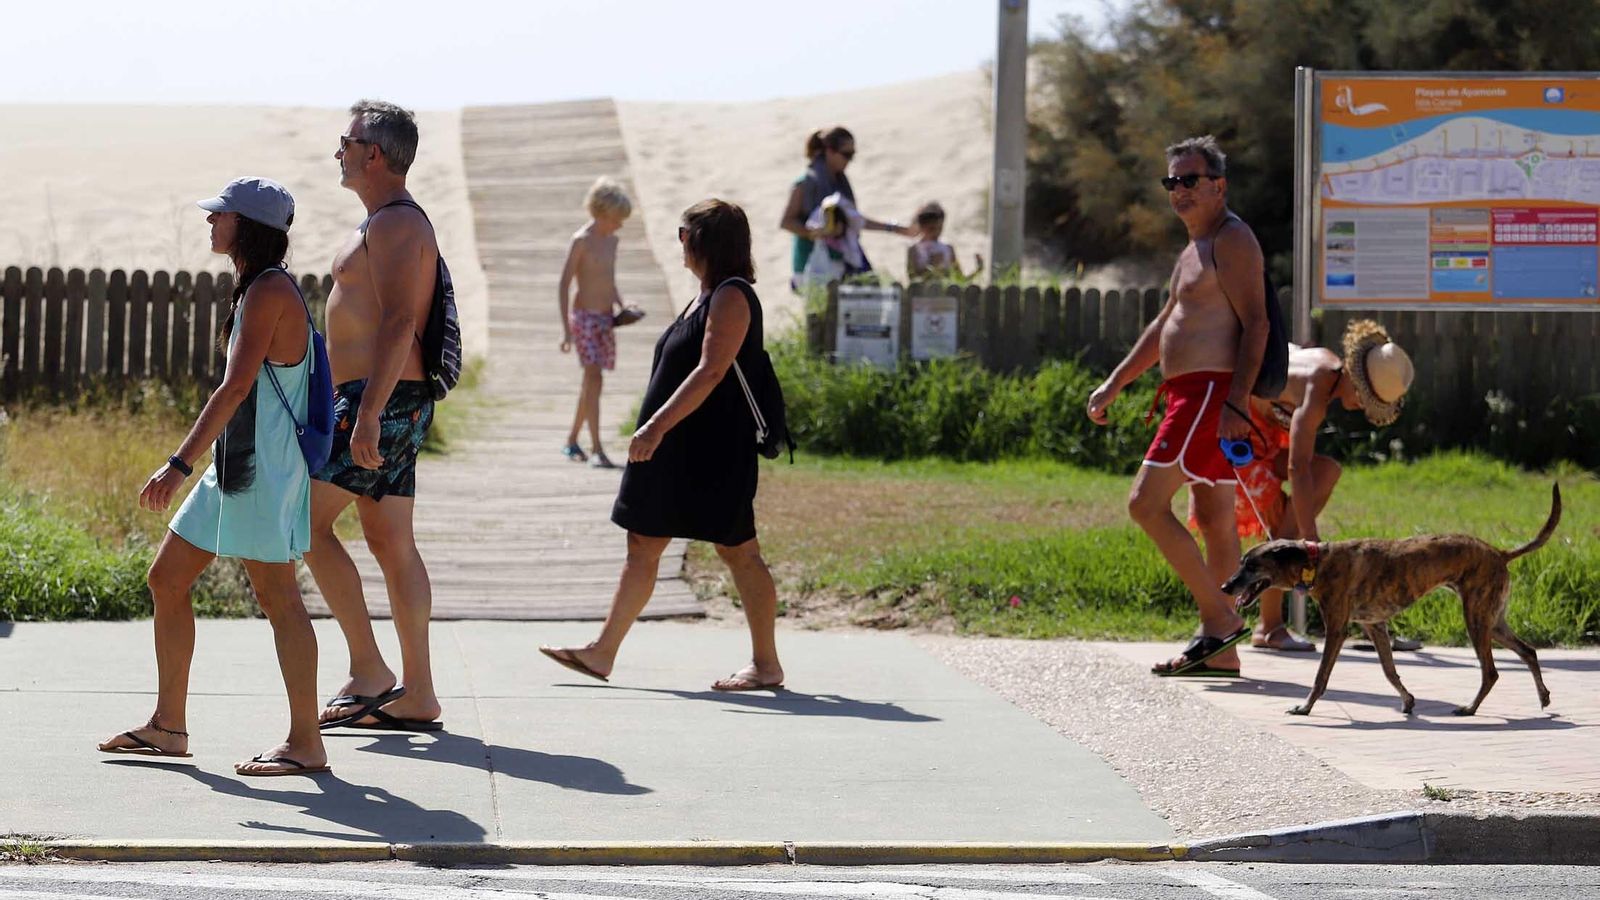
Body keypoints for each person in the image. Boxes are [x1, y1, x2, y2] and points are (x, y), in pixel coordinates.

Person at [98, 177, 330, 777]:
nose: (210, 223)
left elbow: (234, 389)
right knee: (167, 578)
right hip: (237, 464)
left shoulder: (269, 291)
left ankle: (307, 742)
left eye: (219, 216)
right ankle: (168, 727)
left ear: (245, 226)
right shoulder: (256, 286)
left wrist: (177, 465)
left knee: (279, 598)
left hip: (263, 469)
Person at [540, 199, 785, 692]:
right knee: (643, 543)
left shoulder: (732, 296)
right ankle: (602, 652)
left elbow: (711, 370)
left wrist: (654, 426)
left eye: (683, 233)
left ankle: (766, 664)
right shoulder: (706, 294)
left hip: (712, 453)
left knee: (738, 552)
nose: (680, 243)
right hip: (677, 450)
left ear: (705, 242)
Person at [1086, 135, 1269, 678]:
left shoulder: (1232, 239)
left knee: (1144, 504)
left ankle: (1221, 619)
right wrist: (1116, 382)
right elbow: (1166, 322)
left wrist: (1236, 399)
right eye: (1172, 182)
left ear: (1218, 185)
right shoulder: (1193, 248)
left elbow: (1257, 321)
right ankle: (1224, 651)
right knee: (1214, 518)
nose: (1180, 191)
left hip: (1212, 395)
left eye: (1191, 180)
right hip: (1190, 394)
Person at [308, 100, 445, 733]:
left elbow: (399, 322)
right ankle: (418, 693)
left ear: (376, 154)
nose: (339, 149)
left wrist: (365, 414)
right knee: (392, 543)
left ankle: (370, 671)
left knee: (300, 525)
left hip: (379, 399)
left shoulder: (395, 224)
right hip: (385, 397)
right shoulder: (384, 222)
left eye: (348, 140)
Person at [1209, 320, 1416, 651]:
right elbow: (1298, 468)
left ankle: (1276, 624)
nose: (1363, 408)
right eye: (1367, 400)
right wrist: (1310, 541)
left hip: (1265, 439)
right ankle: (1270, 626)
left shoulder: (1329, 369)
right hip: (1234, 436)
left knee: (1327, 472)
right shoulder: (1318, 387)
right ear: (1357, 381)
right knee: (1285, 526)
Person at [780, 126, 916, 292]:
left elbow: (854, 219)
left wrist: (894, 228)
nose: (849, 161)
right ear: (829, 151)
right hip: (813, 264)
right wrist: (816, 232)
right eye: (846, 155)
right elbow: (786, 222)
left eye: (852, 156)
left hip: (841, 261)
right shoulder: (805, 183)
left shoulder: (840, 183)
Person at [557, 176, 633, 469]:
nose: (620, 225)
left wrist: (623, 306)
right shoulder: (582, 241)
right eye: (617, 219)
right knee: (594, 378)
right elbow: (564, 284)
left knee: (592, 382)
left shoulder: (612, 242)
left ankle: (573, 439)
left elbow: (609, 280)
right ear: (602, 213)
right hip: (585, 318)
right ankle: (598, 447)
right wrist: (567, 329)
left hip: (605, 318)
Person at [906, 201, 983, 281]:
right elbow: (912, 280)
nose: (936, 232)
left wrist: (978, 270)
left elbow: (960, 280)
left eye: (940, 228)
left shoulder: (948, 248)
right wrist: (932, 266)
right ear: (922, 227)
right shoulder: (914, 249)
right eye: (931, 229)